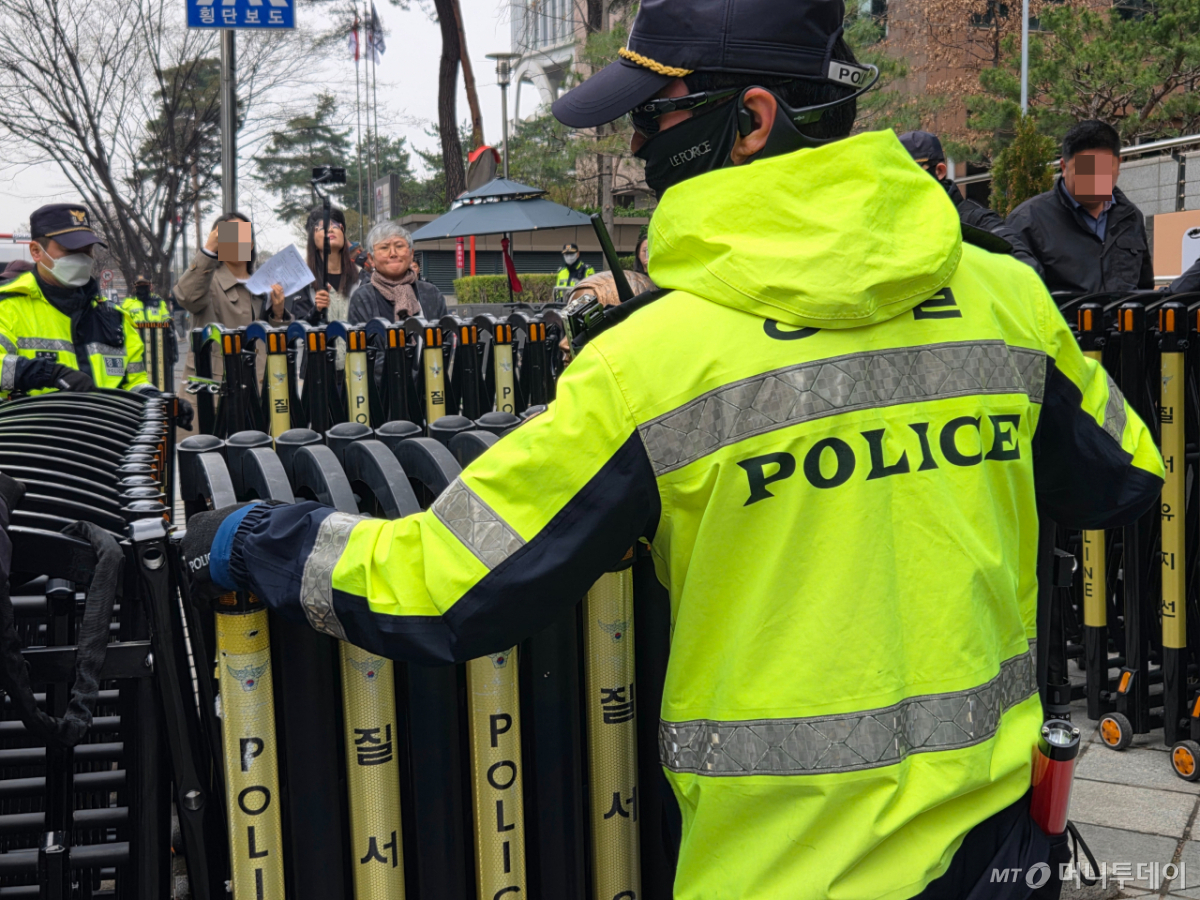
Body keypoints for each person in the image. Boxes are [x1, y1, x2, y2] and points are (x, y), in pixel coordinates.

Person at [184, 1, 1162, 896]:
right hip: (1001, 846)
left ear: (753, 119)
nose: (641, 142)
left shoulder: (655, 363)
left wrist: (271, 538)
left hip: (784, 871)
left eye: (654, 116)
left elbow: (451, 586)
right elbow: (1120, 479)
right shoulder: (1004, 298)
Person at [0, 204, 190, 426]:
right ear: (36, 251)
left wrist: (155, 400)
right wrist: (48, 373)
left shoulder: (115, 318)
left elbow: (133, 381)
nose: (82, 258)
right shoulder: (7, 307)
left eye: (87, 249)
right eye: (70, 250)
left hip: (105, 448)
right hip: (31, 450)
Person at [1006, 120, 1154, 297]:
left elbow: (1144, 287)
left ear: (1118, 165)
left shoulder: (1130, 217)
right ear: (1064, 167)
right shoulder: (1027, 221)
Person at [898, 130, 1041, 274]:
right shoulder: (890, 228)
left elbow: (1026, 268)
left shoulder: (977, 221)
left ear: (940, 171)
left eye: (910, 172)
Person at [173, 211, 289, 385]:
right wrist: (207, 252)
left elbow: (276, 344)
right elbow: (186, 297)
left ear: (250, 244)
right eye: (229, 235)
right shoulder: (206, 281)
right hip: (213, 394)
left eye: (241, 234)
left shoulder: (264, 287)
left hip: (258, 390)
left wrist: (278, 315)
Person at [271, 206, 360, 327]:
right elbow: (298, 334)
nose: (330, 230)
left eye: (335, 225)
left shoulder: (362, 278)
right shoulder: (302, 284)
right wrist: (316, 311)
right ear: (312, 238)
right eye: (322, 227)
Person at [346, 222, 446, 323]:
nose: (393, 253)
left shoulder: (430, 293)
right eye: (384, 248)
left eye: (399, 246)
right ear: (371, 259)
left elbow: (446, 335)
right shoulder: (362, 298)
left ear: (411, 254)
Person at [119, 275, 178, 373]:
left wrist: (168, 322)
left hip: (157, 344)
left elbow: (165, 317)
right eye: (139, 284)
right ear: (134, 287)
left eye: (145, 284)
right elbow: (122, 321)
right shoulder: (127, 304)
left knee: (158, 372)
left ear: (150, 286)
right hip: (136, 344)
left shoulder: (158, 302)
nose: (142, 286)